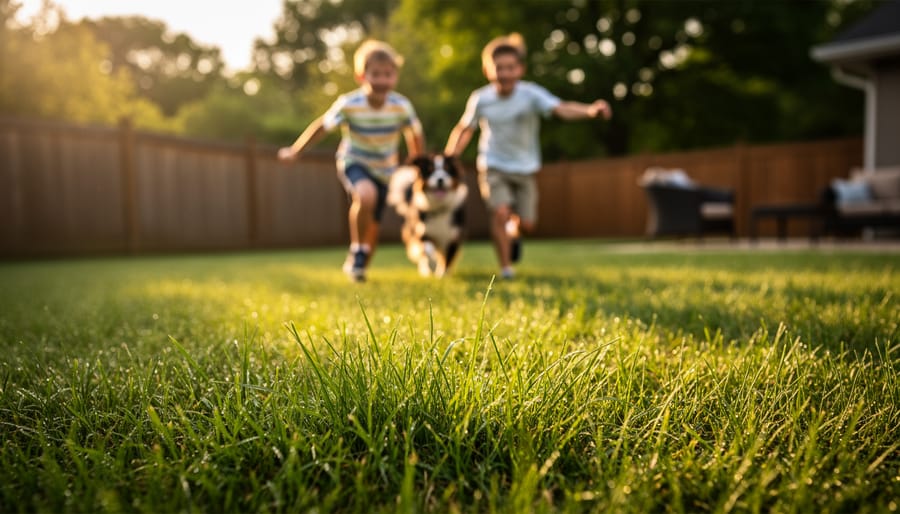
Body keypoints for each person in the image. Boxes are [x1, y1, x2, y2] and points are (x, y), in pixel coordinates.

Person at [444, 33, 612, 279]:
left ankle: (515, 231)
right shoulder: (481, 98)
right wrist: (450, 156)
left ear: (520, 69)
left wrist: (590, 111)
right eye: (498, 68)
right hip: (493, 165)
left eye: (510, 68)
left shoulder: (532, 94)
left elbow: (561, 109)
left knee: (528, 223)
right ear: (487, 70)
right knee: (500, 212)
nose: (504, 74)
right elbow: (464, 129)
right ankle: (506, 269)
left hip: (525, 167)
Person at [278, 40, 425, 282]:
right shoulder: (350, 104)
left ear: (395, 77)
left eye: (387, 74)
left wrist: (416, 161)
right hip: (354, 161)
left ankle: (359, 265)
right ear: (361, 76)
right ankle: (357, 248)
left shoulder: (401, 106)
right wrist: (295, 151)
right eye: (375, 74)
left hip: (386, 170)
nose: (381, 80)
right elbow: (322, 127)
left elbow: (415, 133)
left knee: (374, 226)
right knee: (366, 196)